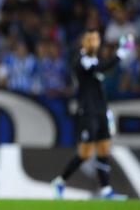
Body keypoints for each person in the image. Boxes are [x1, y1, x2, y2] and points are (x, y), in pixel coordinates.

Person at [51, 29, 133, 200]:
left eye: (96, 39)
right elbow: (103, 67)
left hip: (101, 111)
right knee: (85, 153)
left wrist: (107, 111)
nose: (94, 42)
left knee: (104, 149)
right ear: (84, 42)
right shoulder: (81, 60)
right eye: (90, 39)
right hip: (88, 113)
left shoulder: (94, 60)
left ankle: (106, 190)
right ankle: (60, 181)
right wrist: (120, 54)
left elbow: (99, 88)